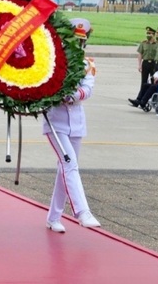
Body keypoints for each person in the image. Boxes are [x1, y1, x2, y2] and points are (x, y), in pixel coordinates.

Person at [44, 18, 100, 233]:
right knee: (69, 163)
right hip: (55, 120)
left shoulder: (88, 64)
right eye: (74, 40)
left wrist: (73, 95)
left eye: (81, 41)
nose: (77, 45)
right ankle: (82, 212)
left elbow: (88, 88)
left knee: (64, 168)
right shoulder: (52, 62)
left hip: (76, 121)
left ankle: (53, 216)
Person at [129, 26, 158, 105]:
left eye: (150, 34)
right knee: (143, 82)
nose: (148, 35)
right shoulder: (143, 43)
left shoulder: (157, 44)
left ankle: (154, 99)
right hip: (145, 63)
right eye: (147, 33)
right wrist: (139, 65)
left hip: (153, 64)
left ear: (154, 34)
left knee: (154, 83)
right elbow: (140, 54)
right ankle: (139, 99)